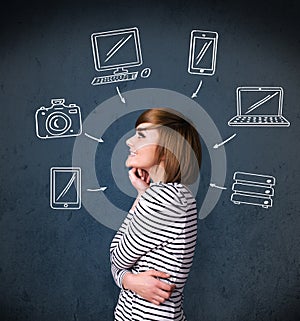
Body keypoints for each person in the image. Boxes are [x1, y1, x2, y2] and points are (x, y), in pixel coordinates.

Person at [110, 108, 202, 320]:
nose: (129, 142)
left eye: (141, 135)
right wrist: (142, 193)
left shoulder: (163, 199)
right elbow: (121, 260)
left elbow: (117, 257)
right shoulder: (175, 195)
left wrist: (125, 279)